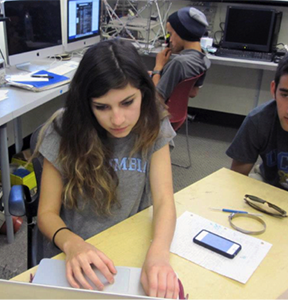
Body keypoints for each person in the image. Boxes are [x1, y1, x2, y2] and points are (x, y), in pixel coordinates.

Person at [32, 38, 179, 299]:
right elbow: (46, 213)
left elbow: (165, 200)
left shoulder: (152, 122)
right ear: (86, 103)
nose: (118, 119)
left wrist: (158, 253)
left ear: (143, 92)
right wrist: (73, 244)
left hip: (128, 242)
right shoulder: (64, 128)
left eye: (127, 102)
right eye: (102, 107)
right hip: (72, 249)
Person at [226, 50, 288, 195]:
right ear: (274, 90)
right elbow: (236, 178)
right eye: (285, 95)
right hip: (268, 185)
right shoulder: (258, 120)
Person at [152, 7, 211, 102]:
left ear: (181, 32)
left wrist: (158, 68)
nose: (170, 40)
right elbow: (193, 92)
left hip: (162, 114)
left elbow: (157, 100)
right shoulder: (202, 58)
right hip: (177, 113)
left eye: (171, 34)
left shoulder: (179, 63)